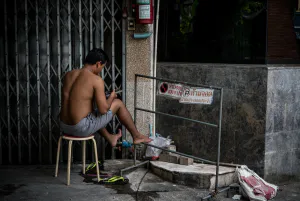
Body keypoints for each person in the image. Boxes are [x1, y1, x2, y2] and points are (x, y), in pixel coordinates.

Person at [59, 48, 152, 147]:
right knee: (118, 103)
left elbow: (77, 99)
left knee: (93, 113)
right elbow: (103, 110)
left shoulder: (69, 75)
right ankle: (136, 136)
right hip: (80, 128)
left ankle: (110, 137)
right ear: (98, 64)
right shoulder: (96, 79)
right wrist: (111, 97)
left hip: (63, 125)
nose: (101, 71)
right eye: (102, 67)